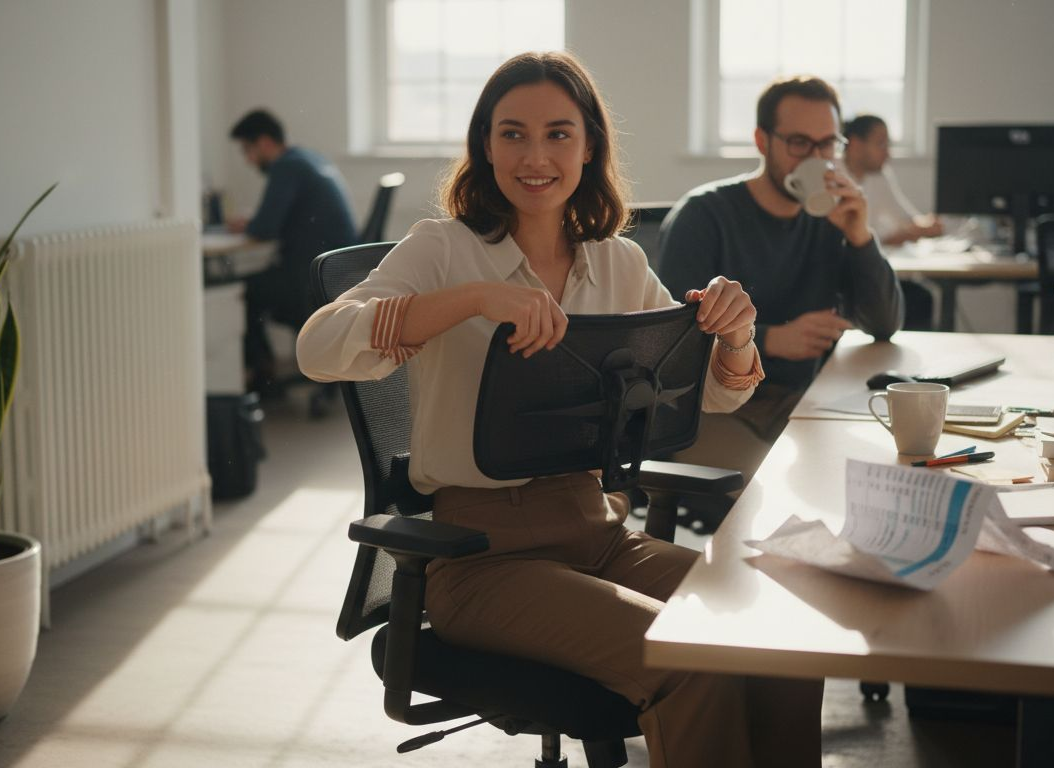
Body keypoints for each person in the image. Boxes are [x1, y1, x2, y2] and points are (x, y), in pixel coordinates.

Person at [298, 52, 823, 767]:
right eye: (512, 134)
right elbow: (319, 346)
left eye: (558, 134)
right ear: (486, 146)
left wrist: (734, 333)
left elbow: (711, 392)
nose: (535, 156)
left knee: (782, 626)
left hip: (601, 536)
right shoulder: (445, 250)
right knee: (691, 656)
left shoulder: (617, 264)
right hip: (482, 561)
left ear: (589, 147)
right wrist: (476, 298)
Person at [657, 76, 903, 485]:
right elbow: (671, 344)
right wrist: (772, 340)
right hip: (719, 411)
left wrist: (860, 236)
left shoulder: (829, 220)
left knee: (888, 476)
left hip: (809, 400)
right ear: (761, 140)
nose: (817, 158)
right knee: (796, 490)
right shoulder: (704, 217)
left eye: (827, 144)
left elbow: (883, 324)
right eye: (799, 143)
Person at [228, 109, 358, 394]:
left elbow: (265, 228)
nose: (248, 160)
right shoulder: (309, 159)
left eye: (247, 150)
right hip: (336, 272)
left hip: (309, 279)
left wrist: (245, 224)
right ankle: (264, 372)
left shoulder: (286, 167)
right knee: (257, 284)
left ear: (263, 142)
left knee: (243, 292)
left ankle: (261, 377)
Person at [842, 114, 943, 246]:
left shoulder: (880, 175)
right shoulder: (831, 176)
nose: (888, 153)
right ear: (855, 144)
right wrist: (895, 237)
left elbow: (904, 217)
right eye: (881, 144)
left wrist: (929, 225)